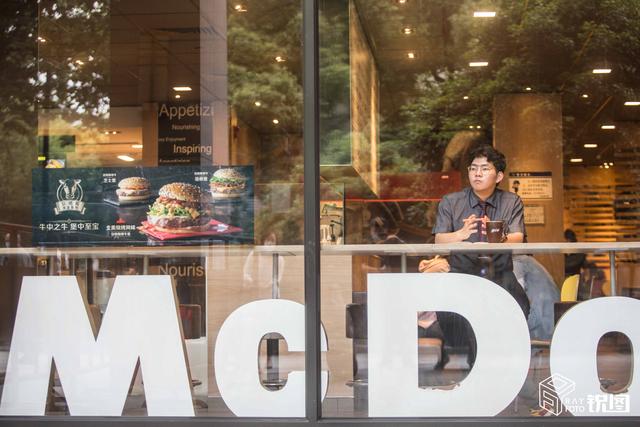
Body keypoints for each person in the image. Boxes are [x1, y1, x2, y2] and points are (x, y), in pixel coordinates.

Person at [432, 144, 530, 316]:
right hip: (461, 275)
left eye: (485, 169)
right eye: (473, 168)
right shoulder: (451, 201)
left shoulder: (511, 201)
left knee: (518, 309)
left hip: (500, 275)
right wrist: (460, 234)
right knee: (450, 316)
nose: (477, 173)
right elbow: (439, 240)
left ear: (499, 176)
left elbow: (518, 238)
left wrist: (496, 236)